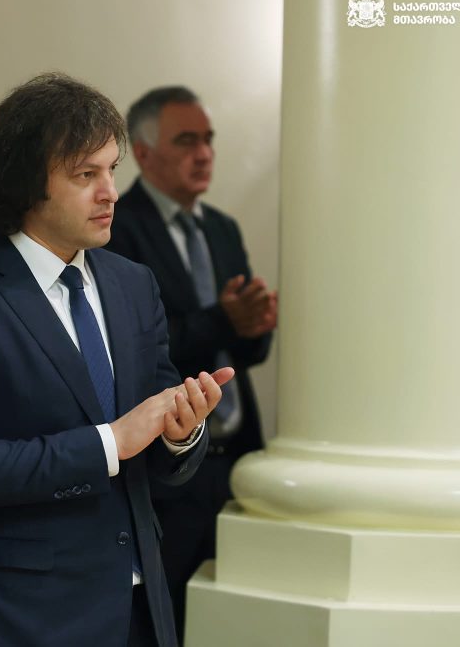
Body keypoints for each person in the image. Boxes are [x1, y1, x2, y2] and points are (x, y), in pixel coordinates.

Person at [0, 73, 233, 647]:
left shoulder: (133, 284)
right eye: (86, 175)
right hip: (25, 617)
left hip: (141, 607)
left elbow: (157, 447)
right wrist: (110, 442)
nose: (110, 192)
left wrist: (182, 432)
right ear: (27, 183)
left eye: (112, 170)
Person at [106, 86, 278, 640]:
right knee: (169, 621)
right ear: (144, 152)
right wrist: (223, 320)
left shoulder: (221, 228)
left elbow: (242, 354)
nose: (203, 153)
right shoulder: (116, 227)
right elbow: (136, 351)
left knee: (233, 623)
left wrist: (255, 327)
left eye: (208, 139)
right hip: (169, 468)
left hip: (236, 457)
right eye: (186, 141)